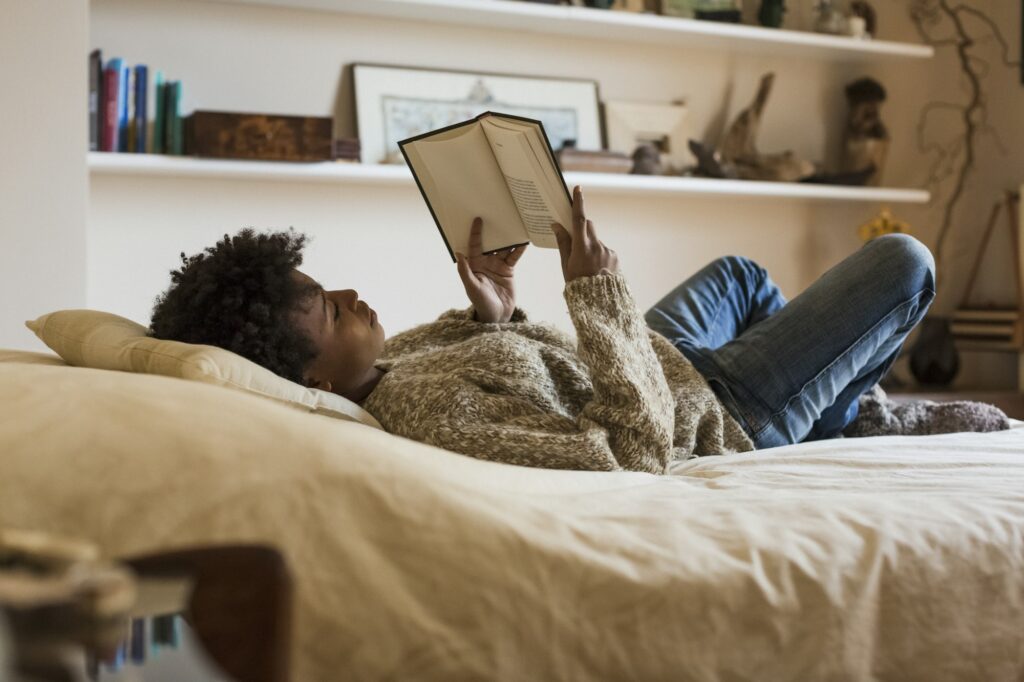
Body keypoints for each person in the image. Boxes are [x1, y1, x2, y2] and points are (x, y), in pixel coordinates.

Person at [150, 185, 1008, 473]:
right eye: (333, 309)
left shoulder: (391, 363)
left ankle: (840, 407)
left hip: (657, 356)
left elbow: (529, 363)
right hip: (712, 409)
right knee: (904, 263)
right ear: (315, 382)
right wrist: (594, 294)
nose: (352, 291)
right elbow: (630, 449)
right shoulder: (433, 422)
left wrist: (503, 308)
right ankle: (852, 417)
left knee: (743, 277)